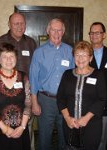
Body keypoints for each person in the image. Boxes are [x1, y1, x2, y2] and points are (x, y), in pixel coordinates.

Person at [0, 12, 37, 150]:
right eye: (16, 23)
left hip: (24, 97)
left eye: (22, 23)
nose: (19, 26)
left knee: (26, 133)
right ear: (9, 25)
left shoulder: (31, 43)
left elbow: (36, 70)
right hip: (1, 100)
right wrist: (2, 80)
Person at [29, 18, 75, 150]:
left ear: (63, 32)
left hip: (65, 100)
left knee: (64, 134)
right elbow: (33, 78)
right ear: (48, 31)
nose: (56, 33)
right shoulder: (39, 52)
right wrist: (34, 102)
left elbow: (74, 76)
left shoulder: (70, 51)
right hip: (45, 100)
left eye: (59, 30)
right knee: (44, 135)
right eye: (53, 30)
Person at [57, 41, 107, 150]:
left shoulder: (98, 75)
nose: (80, 58)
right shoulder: (67, 74)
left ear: (90, 58)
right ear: (73, 57)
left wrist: (86, 118)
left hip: (91, 124)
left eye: (84, 55)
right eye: (77, 55)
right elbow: (60, 98)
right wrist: (67, 118)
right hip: (70, 123)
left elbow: (102, 99)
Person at [0, 43, 31, 150]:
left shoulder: (24, 77)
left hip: (20, 129)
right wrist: (4, 128)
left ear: (16, 58)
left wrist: (22, 127)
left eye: (12, 56)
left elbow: (28, 104)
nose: (9, 60)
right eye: (5, 56)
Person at [89, 22, 107, 150]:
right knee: (88, 136)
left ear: (104, 35)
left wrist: (105, 100)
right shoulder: (84, 53)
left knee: (102, 138)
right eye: (92, 32)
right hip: (87, 104)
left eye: (98, 32)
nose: (94, 35)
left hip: (105, 105)